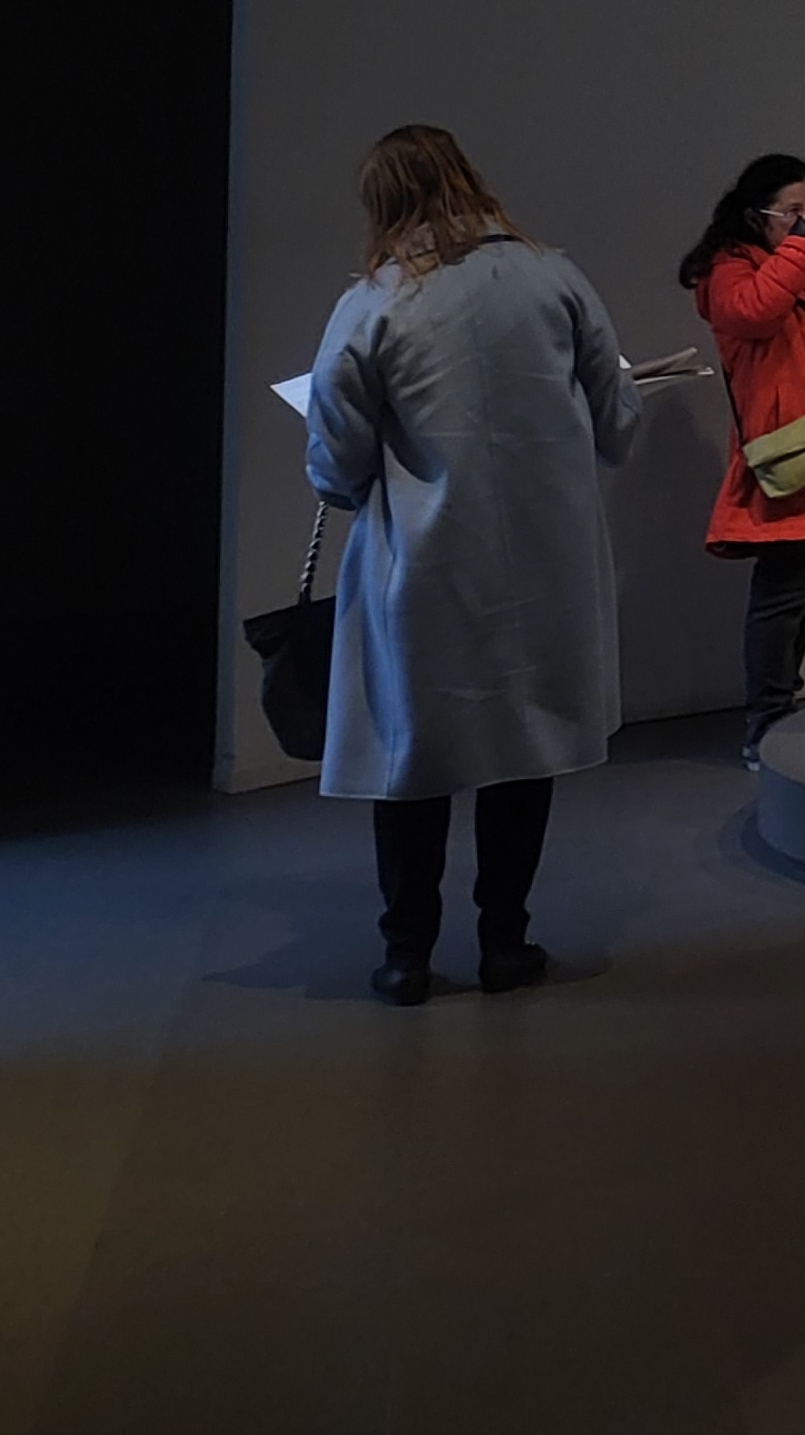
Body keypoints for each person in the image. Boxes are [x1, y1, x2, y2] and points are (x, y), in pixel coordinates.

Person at [303, 125, 647, 1006]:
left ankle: (406, 955)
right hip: (547, 561)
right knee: (523, 749)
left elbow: (336, 461)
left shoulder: (374, 303)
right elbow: (619, 422)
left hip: (422, 564)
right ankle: (506, 942)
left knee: (411, 758)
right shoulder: (553, 277)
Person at [681, 154, 805, 761]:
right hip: (792, 456)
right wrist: (804, 242)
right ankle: (766, 722)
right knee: (782, 596)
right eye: (792, 211)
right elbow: (755, 311)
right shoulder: (730, 273)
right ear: (756, 215)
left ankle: (781, 710)